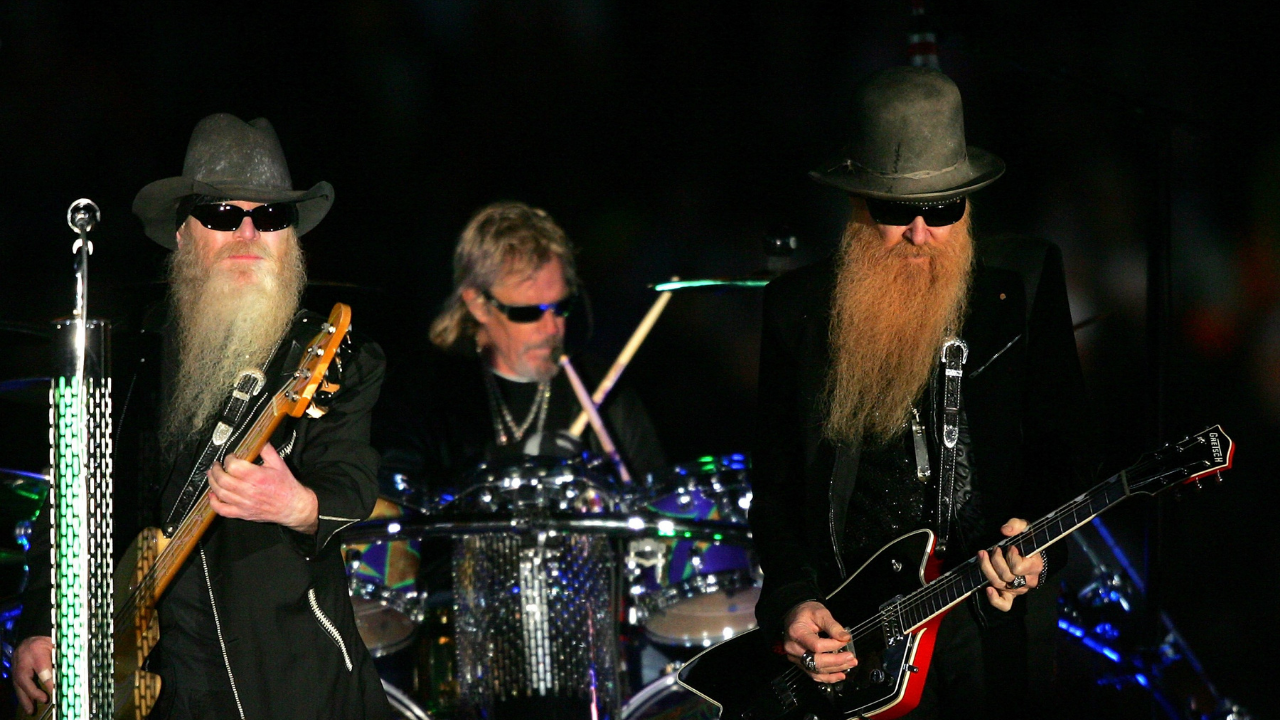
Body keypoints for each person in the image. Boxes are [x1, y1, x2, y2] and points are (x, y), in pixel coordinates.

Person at [11, 113, 391, 719]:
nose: (248, 232)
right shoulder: (132, 356)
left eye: (270, 216)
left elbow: (352, 481)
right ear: (183, 234)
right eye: (221, 214)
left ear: (290, 239)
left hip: (287, 680)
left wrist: (296, 505)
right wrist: (40, 622)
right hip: (155, 686)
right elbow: (71, 501)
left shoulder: (330, 355)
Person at [750, 66, 1095, 718]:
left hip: (991, 622)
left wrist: (1038, 544)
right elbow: (776, 488)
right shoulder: (798, 309)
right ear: (857, 205)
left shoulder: (1022, 281)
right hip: (862, 633)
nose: (918, 232)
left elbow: (1065, 445)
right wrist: (793, 599)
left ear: (967, 203)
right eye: (894, 210)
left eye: (941, 210)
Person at [376, 200, 665, 492]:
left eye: (561, 307)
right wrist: (512, 461)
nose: (552, 328)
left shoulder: (603, 388)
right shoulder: (425, 391)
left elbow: (656, 501)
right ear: (478, 304)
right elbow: (394, 493)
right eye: (528, 312)